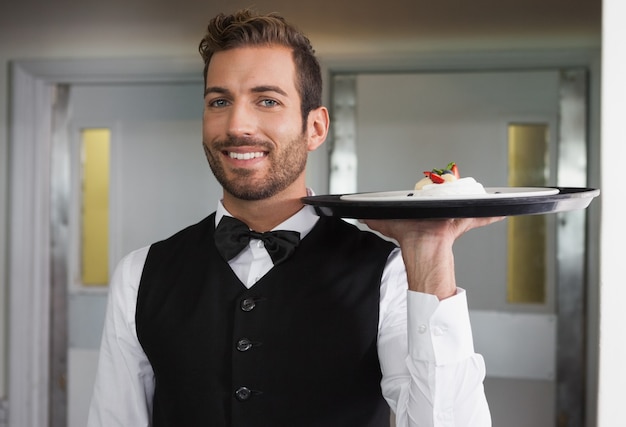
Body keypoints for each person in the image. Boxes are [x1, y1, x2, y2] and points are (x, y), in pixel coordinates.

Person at [87, 8, 500, 427]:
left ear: (315, 128)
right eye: (219, 101)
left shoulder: (388, 272)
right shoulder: (139, 274)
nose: (237, 123)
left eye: (267, 100)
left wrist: (430, 259)